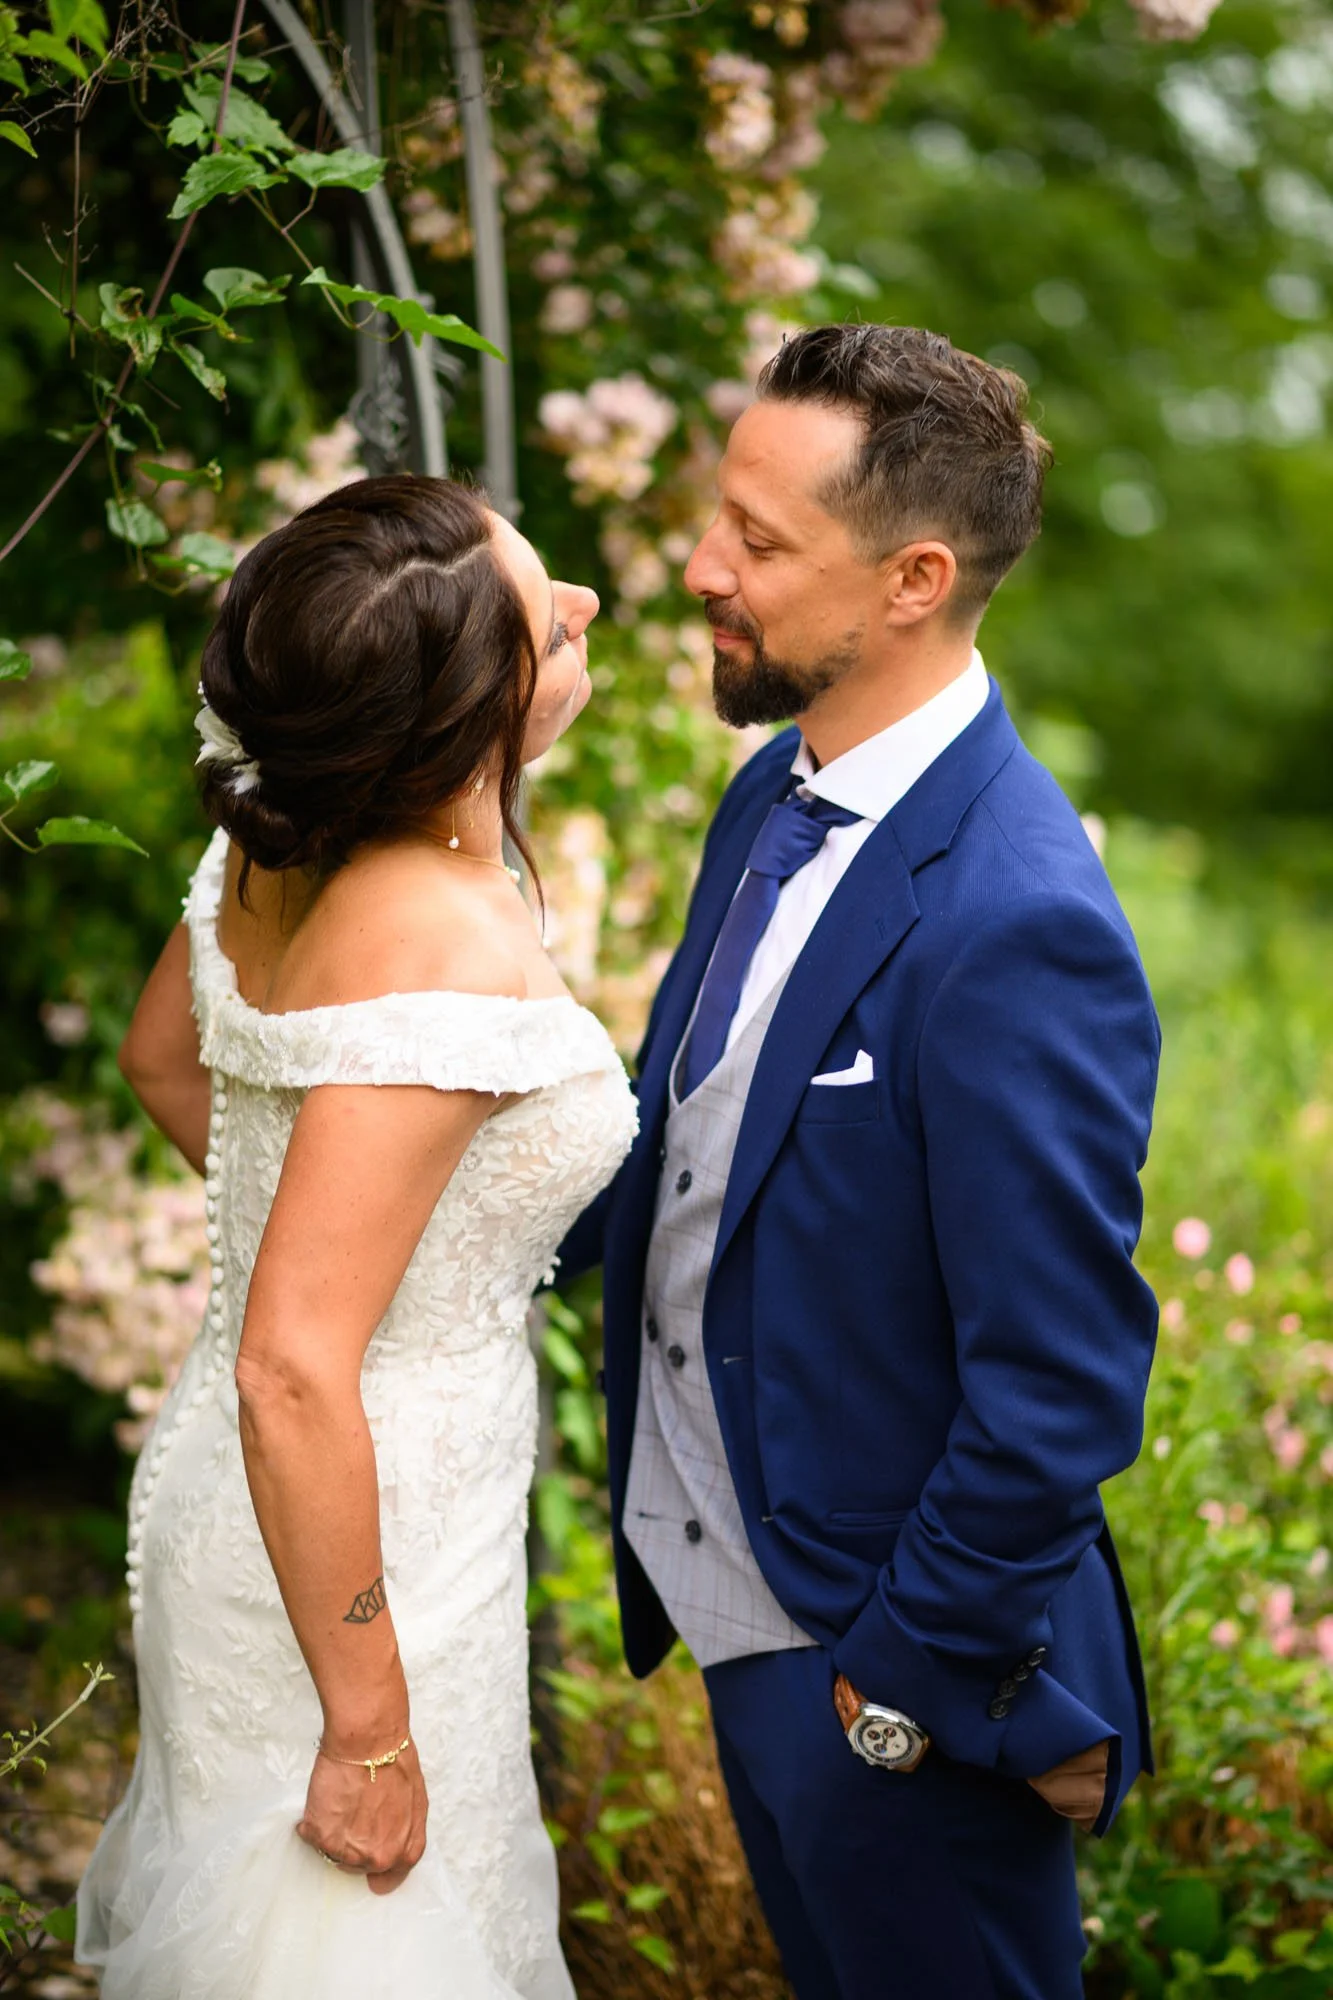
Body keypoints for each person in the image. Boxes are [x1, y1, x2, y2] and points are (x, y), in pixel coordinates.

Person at [562, 324, 1161, 2000]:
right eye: (720, 515)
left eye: (760, 541)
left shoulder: (1019, 920)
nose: (702, 566)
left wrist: (895, 1676)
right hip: (738, 1618)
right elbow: (691, 1127)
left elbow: (1060, 1379)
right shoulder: (773, 792)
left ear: (914, 580)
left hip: (888, 1674)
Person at [75, 476, 637, 2000]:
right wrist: (371, 1729)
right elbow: (293, 1364)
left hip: (273, 1492)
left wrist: (352, 1239)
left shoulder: (279, 843)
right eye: (547, 621)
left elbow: (162, 1063)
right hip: (360, 1539)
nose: (585, 604)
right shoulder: (444, 939)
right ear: (463, 717)